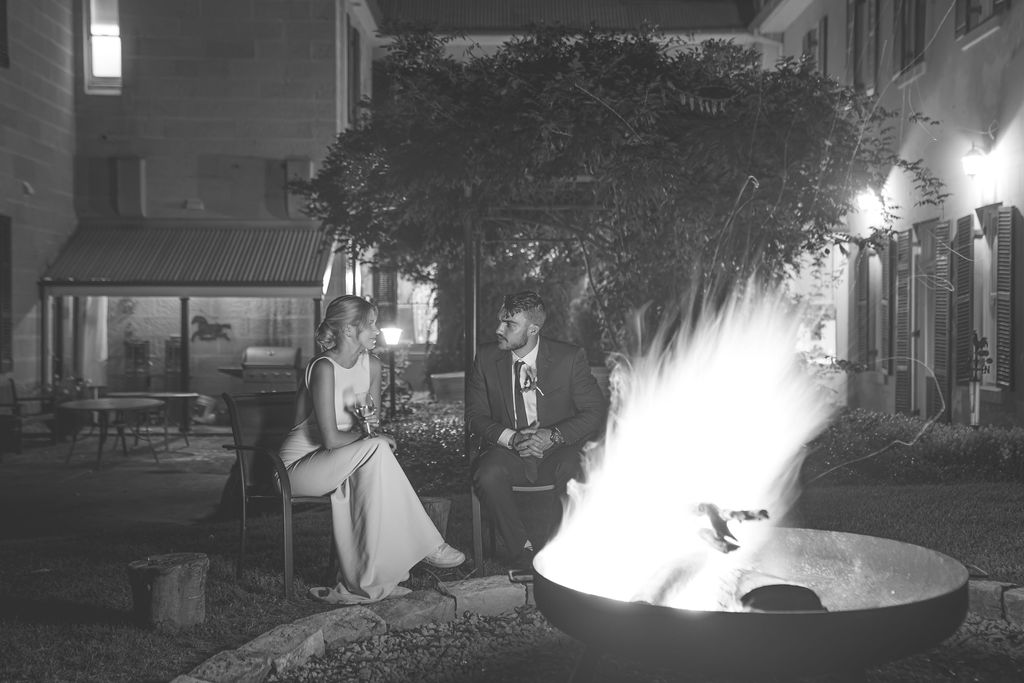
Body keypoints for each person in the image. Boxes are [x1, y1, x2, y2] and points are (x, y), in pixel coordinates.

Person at [279, 295, 465, 604]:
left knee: (376, 458)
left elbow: (371, 427)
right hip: (297, 469)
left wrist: (372, 436)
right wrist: (372, 438)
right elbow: (330, 439)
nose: (377, 330)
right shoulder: (323, 367)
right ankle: (430, 545)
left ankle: (370, 584)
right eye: (371, 324)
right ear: (349, 329)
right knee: (377, 449)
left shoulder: (373, 365)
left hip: (345, 460)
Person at [467, 291, 608, 567]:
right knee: (487, 474)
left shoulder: (569, 358)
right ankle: (521, 549)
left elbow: (595, 411)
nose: (499, 329)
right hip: (509, 451)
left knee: (577, 469)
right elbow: (475, 415)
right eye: (500, 321)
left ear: (533, 329)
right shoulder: (485, 358)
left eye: (509, 324)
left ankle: (560, 549)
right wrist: (512, 438)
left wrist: (554, 435)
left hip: (557, 450)